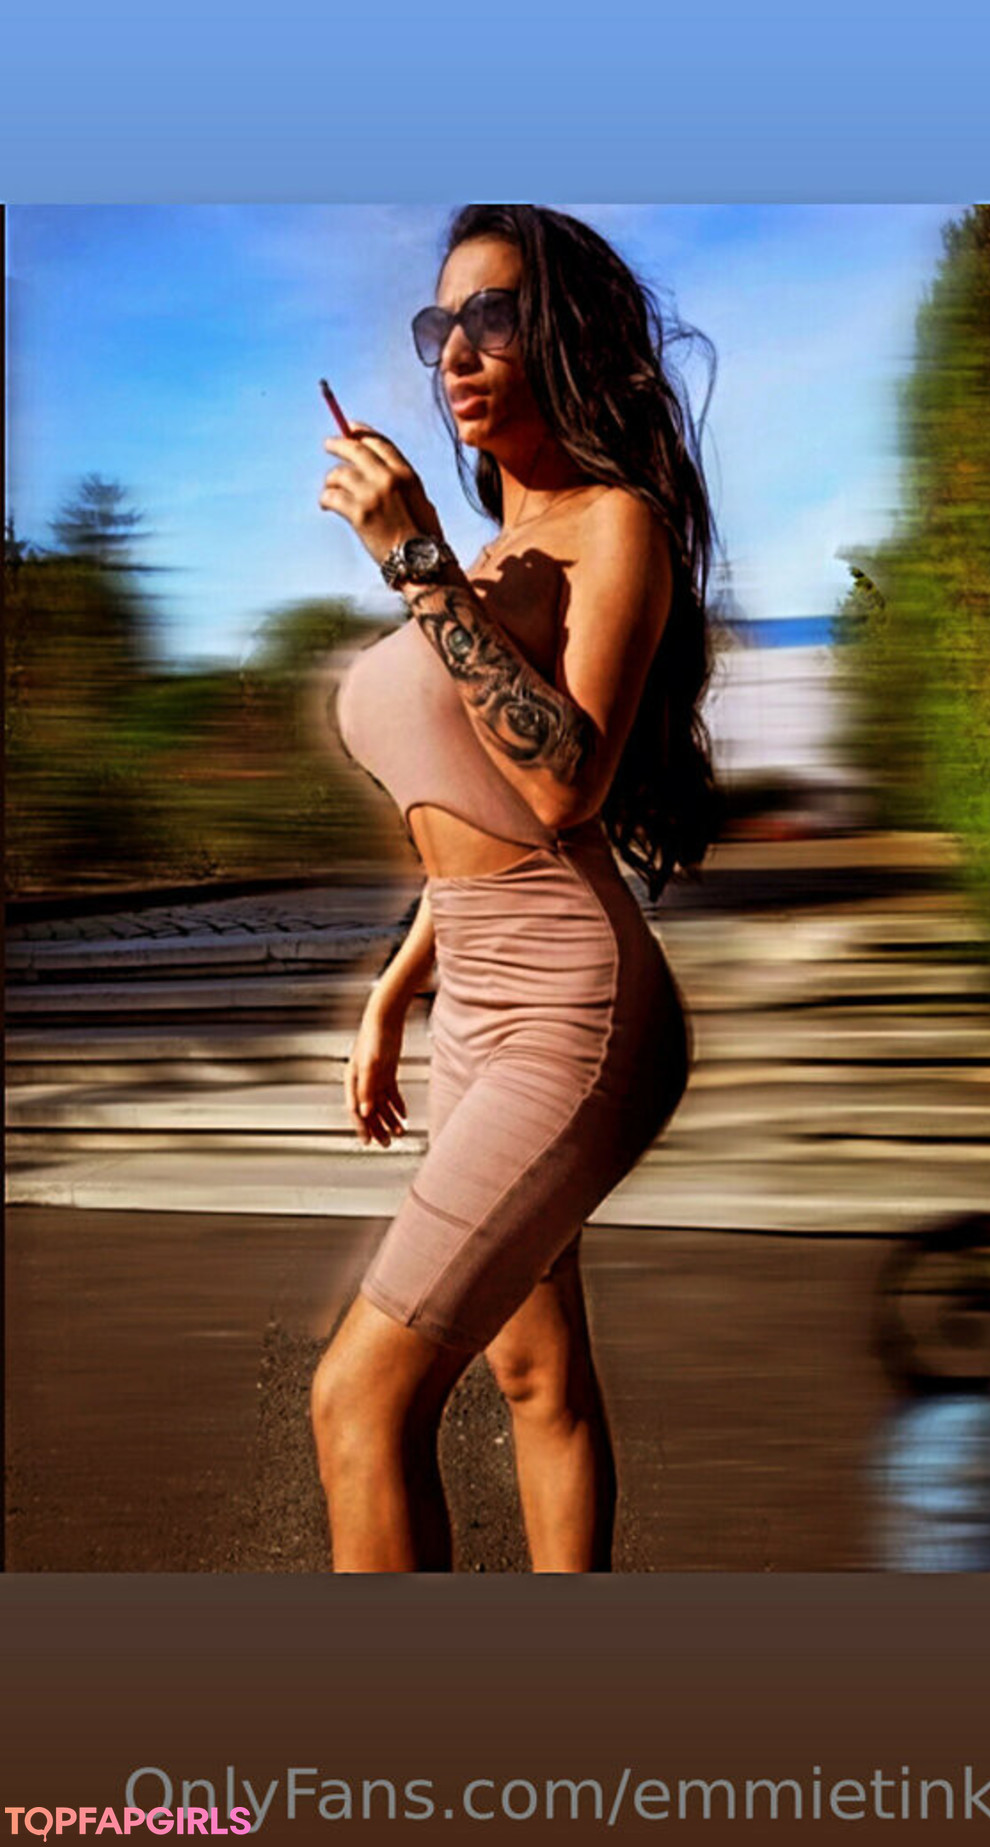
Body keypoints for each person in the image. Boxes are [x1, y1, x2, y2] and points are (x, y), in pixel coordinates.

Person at [312, 204, 722, 1573]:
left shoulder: (613, 528)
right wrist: (393, 995)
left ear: (569, 337)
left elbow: (561, 790)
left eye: (493, 316)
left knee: (359, 1400)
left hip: (574, 1006)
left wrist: (414, 560)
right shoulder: (491, 557)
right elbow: (468, 823)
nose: (457, 351)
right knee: (532, 1375)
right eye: (440, 325)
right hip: (473, 1010)